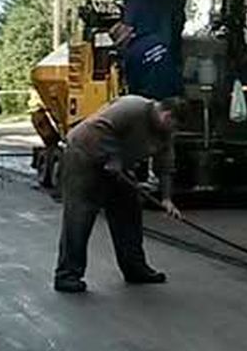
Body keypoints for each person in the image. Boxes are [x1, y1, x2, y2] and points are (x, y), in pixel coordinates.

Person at [53, 95, 183, 294]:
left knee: (129, 212)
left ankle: (135, 269)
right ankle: (67, 275)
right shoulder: (133, 107)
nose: (172, 132)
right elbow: (99, 127)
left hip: (118, 166)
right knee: (80, 216)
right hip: (84, 156)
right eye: (173, 125)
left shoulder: (165, 132)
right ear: (166, 115)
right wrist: (113, 157)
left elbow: (165, 166)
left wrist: (167, 199)